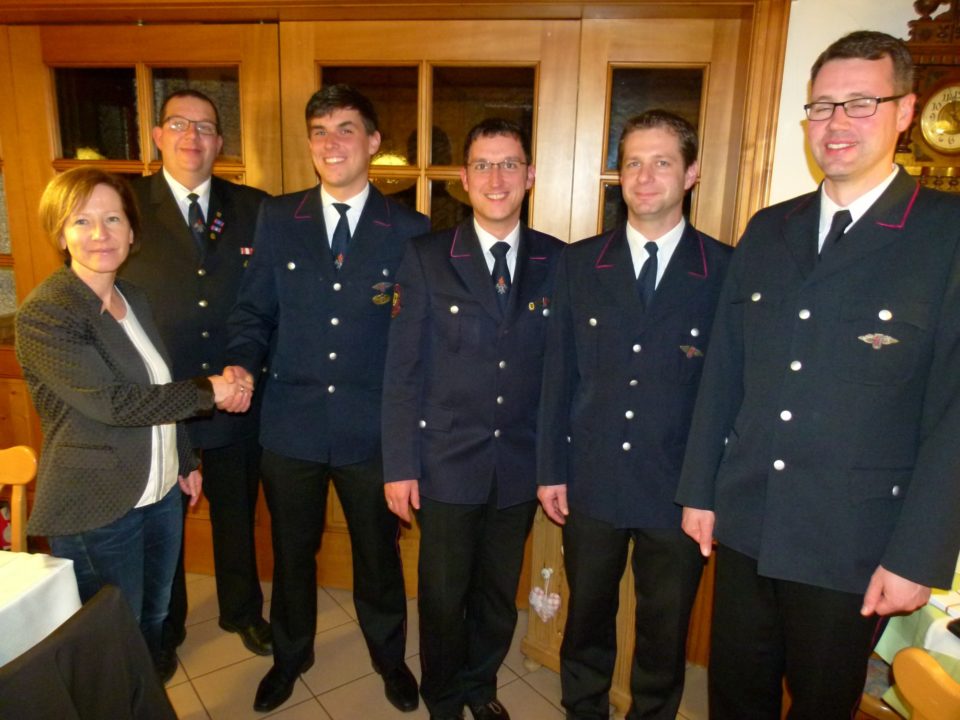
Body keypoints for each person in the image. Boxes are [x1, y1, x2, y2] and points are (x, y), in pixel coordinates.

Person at [675, 30, 960, 719]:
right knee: (733, 698)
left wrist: (919, 556)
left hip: (854, 541)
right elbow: (724, 375)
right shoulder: (770, 229)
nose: (836, 123)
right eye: (822, 106)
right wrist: (700, 490)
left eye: (861, 103)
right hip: (747, 522)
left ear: (904, 111)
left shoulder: (946, 234)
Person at [224, 84, 429, 714]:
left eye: (346, 129)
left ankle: (389, 658)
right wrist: (240, 361)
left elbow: (416, 338)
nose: (331, 143)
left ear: (372, 142)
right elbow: (254, 310)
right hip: (292, 425)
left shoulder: (411, 229)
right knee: (292, 554)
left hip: (373, 430)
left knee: (378, 556)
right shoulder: (279, 217)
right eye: (319, 131)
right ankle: (291, 657)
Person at [15, 167, 250, 677]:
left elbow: (158, 385)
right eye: (82, 221)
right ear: (60, 233)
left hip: (159, 495)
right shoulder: (49, 313)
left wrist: (184, 459)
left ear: (131, 231)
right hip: (98, 504)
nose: (100, 234)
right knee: (110, 641)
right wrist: (211, 389)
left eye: (113, 219)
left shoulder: (134, 297)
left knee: (153, 622)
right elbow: (116, 403)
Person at [536, 110, 731, 720]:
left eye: (662, 162)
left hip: (678, 488)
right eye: (633, 164)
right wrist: (550, 468)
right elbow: (557, 375)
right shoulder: (578, 263)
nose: (645, 178)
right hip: (591, 477)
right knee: (586, 616)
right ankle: (583, 708)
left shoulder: (725, 269)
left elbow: (729, 390)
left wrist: (709, 487)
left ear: (691, 173)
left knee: (664, 629)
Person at [383, 118, 564, 720]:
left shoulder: (559, 260)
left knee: (496, 593)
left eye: (509, 163)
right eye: (483, 165)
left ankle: (480, 685)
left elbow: (561, 374)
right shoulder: (428, 257)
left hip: (519, 463)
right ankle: (443, 696)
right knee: (442, 594)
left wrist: (554, 464)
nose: (496, 177)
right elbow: (402, 372)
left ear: (529, 175)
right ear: (463, 178)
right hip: (445, 460)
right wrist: (399, 466)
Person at [120, 89, 271, 677]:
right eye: (179, 124)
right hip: (162, 399)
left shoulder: (255, 208)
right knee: (163, 524)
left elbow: (270, 300)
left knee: (237, 511)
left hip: (237, 393)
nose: (192, 137)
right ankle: (166, 627)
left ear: (220, 142)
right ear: (158, 136)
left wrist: (247, 369)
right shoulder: (125, 204)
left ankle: (242, 610)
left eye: (205, 127)